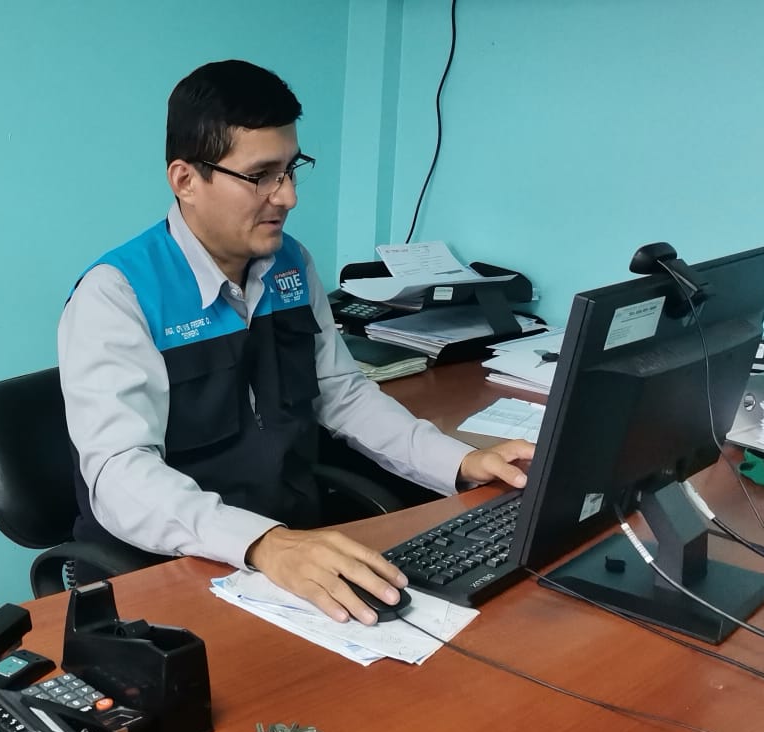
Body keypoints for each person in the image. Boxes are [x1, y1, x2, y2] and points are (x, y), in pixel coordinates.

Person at [58, 59, 533, 625]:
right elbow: (119, 474)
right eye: (260, 176)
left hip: (292, 550)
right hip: (169, 567)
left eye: (290, 170)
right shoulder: (118, 294)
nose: (286, 197)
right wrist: (262, 542)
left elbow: (343, 394)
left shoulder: (290, 263)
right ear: (185, 180)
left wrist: (461, 461)